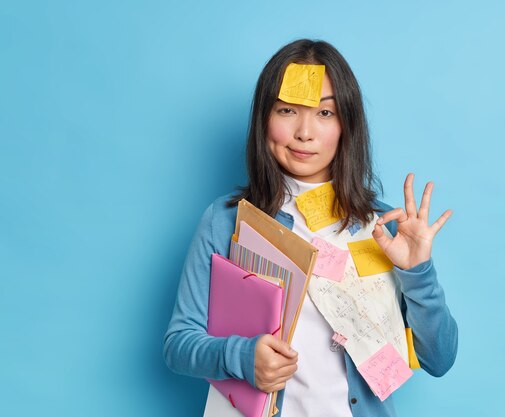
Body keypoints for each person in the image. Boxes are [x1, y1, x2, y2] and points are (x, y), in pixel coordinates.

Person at [163, 39, 458, 417]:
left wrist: (419, 272)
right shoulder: (226, 220)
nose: (305, 132)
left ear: (346, 125)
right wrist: (239, 355)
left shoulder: (383, 227)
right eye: (287, 110)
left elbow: (440, 359)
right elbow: (178, 344)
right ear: (264, 119)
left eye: (325, 113)